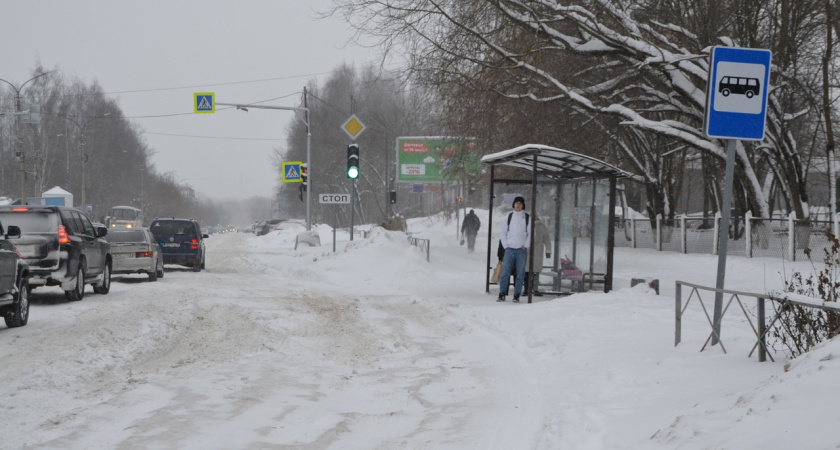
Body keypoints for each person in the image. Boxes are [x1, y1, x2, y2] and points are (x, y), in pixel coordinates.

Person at [498, 196, 531, 302]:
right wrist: (505, 246)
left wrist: (526, 245)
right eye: (516, 203)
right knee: (505, 272)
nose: (518, 205)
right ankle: (502, 293)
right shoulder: (508, 217)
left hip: (521, 250)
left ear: (523, 205)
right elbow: (503, 232)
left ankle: (517, 293)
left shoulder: (527, 218)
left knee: (520, 273)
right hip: (509, 249)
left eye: (520, 203)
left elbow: (531, 233)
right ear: (513, 204)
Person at [528, 215, 552, 296]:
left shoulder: (541, 226)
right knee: (532, 271)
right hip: (531, 251)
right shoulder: (527, 225)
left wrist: (548, 250)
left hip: (535, 252)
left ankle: (532, 288)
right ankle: (531, 288)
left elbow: (547, 239)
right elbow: (547, 239)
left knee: (534, 271)